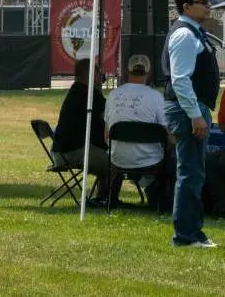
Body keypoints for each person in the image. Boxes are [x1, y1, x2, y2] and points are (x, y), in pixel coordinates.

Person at [161, 0, 221, 248]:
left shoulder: (194, 32)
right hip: (188, 109)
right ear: (187, 7)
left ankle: (194, 232)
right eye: (203, 1)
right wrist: (195, 115)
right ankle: (185, 236)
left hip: (193, 107)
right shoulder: (184, 35)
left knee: (194, 172)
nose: (208, 5)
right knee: (189, 173)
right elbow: (181, 80)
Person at [103, 53, 168, 207]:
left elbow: (106, 134)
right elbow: (166, 132)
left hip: (117, 158)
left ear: (127, 71)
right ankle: (161, 200)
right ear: (148, 72)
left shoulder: (113, 95)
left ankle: (111, 197)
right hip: (150, 159)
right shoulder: (156, 97)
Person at [50, 58, 110, 202]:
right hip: (74, 151)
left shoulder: (76, 90)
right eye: (97, 72)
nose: (100, 75)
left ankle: (103, 197)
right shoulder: (89, 95)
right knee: (116, 161)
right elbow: (108, 115)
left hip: (60, 152)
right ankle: (105, 199)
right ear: (90, 74)